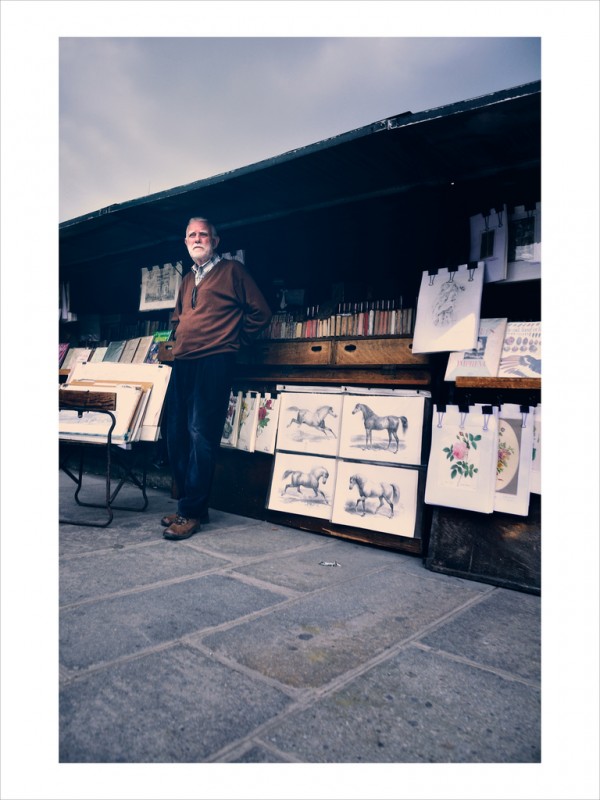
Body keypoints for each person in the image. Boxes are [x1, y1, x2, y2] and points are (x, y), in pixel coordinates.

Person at [161, 217, 271, 540]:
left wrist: (234, 340)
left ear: (215, 241)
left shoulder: (233, 271)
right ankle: (191, 505)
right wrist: (180, 337)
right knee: (176, 434)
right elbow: (178, 318)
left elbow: (261, 312)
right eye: (191, 235)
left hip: (214, 361)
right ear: (185, 242)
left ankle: (191, 512)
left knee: (201, 435)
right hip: (184, 362)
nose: (197, 239)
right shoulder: (187, 279)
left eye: (203, 235)